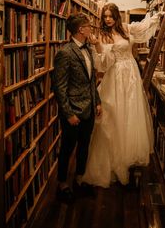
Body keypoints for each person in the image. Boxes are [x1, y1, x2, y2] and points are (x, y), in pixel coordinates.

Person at [82, 3, 164, 188]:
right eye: (105, 17)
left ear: (117, 16)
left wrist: (157, 16)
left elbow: (143, 27)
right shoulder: (103, 35)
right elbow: (103, 63)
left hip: (131, 75)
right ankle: (113, 162)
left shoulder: (126, 28)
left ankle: (128, 159)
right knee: (113, 117)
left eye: (111, 16)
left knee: (130, 114)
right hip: (115, 75)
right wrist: (98, 46)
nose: (108, 19)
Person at [52, 13, 102, 203]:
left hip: (89, 108)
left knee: (84, 146)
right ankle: (62, 183)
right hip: (73, 112)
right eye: (89, 26)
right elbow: (60, 87)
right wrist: (68, 113)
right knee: (67, 148)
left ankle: (80, 178)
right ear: (81, 29)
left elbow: (92, 80)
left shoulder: (88, 49)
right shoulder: (65, 53)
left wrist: (97, 101)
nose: (91, 29)